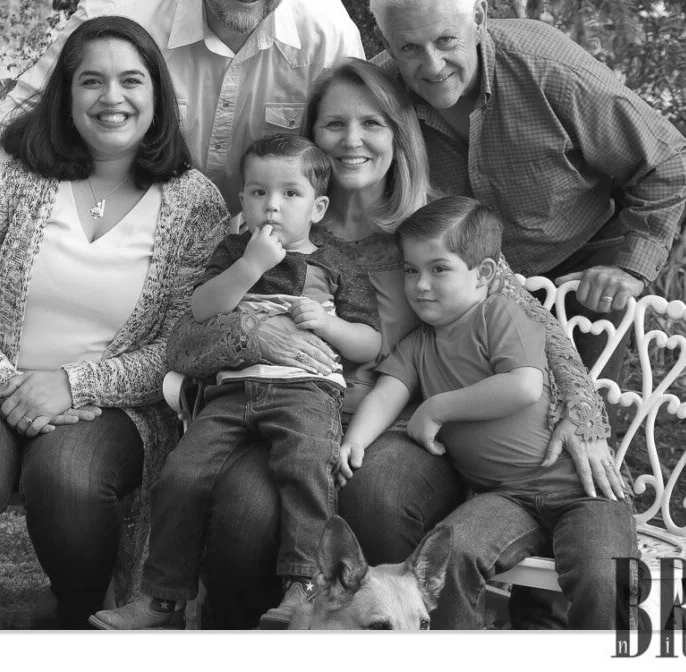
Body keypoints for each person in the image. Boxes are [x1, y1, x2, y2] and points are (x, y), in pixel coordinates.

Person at [163, 58, 624, 628]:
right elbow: (182, 341)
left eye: (372, 123)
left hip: (402, 425)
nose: (351, 140)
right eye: (334, 124)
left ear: (399, 134)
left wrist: (584, 410)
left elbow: (535, 324)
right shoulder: (273, 224)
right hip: (282, 409)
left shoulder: (433, 229)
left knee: (376, 489)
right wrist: (253, 332)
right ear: (312, 136)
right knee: (245, 506)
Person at [0, 15, 228, 629]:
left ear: (157, 95)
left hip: (113, 404)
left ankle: (74, 618)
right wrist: (6, 383)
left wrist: (72, 385)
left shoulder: (195, 202)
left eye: (131, 80)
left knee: (68, 479)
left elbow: (179, 342)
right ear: (66, 95)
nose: (112, 97)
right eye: (91, 81)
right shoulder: (9, 169)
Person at [90, 135, 381, 630]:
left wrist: (329, 325)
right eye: (258, 192)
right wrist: (251, 265)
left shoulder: (337, 264)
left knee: (306, 465)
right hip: (230, 392)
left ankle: (303, 587)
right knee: (182, 475)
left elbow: (370, 343)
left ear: (318, 208)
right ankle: (162, 599)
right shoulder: (232, 252)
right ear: (242, 198)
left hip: (305, 392)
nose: (272, 205)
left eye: (290, 193)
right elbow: (203, 308)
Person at [370, 0, 686, 383]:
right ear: (386, 40)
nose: (432, 65)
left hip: (581, 269)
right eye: (409, 47)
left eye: (446, 40)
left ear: (479, 18)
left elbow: (665, 159)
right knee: (484, 413)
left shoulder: (550, 69)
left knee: (586, 408)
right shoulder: (376, 94)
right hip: (463, 284)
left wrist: (628, 266)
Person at [340, 196, 637, 628]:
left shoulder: (499, 316)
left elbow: (522, 386)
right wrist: (355, 441)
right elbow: (387, 394)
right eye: (411, 270)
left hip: (582, 490)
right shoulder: (418, 346)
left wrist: (437, 407)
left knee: (602, 575)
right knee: (453, 558)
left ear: (483, 274)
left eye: (438, 269)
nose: (420, 285)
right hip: (504, 498)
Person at [0, 0, 364, 205]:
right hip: (124, 226)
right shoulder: (124, 6)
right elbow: (24, 111)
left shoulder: (326, 30)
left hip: (267, 246)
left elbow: (356, 152)